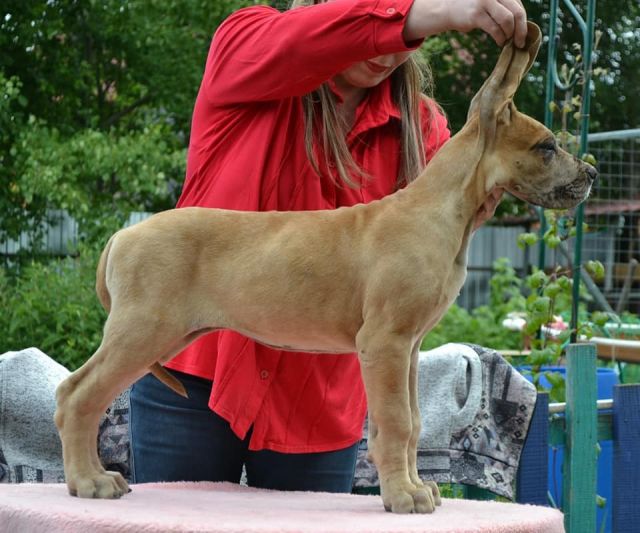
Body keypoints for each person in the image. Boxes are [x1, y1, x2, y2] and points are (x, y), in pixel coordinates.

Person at [128, 0, 527, 493]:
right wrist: (431, 13)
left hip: (318, 406)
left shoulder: (425, 130)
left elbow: (411, 271)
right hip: (194, 379)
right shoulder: (246, 46)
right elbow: (302, 40)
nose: (388, 51)